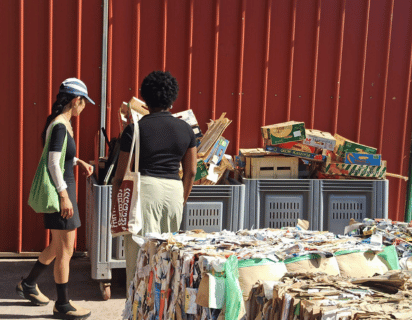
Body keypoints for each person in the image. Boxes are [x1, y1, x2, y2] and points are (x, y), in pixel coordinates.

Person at [112, 71, 197, 291]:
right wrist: (182, 200)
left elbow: (120, 175)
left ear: (145, 99)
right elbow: (191, 172)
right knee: (167, 257)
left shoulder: (134, 129)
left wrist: (117, 204)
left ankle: (138, 306)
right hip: (173, 193)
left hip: (144, 192)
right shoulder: (186, 129)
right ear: (172, 98)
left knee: (139, 257)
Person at [16, 78, 95, 320]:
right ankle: (63, 304)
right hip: (62, 193)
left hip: (65, 190)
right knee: (65, 251)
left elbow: (59, 158)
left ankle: (28, 284)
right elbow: (52, 163)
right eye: (83, 103)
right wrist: (64, 196)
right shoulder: (61, 126)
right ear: (76, 100)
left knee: (58, 246)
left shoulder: (59, 123)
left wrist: (77, 161)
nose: (83, 108)